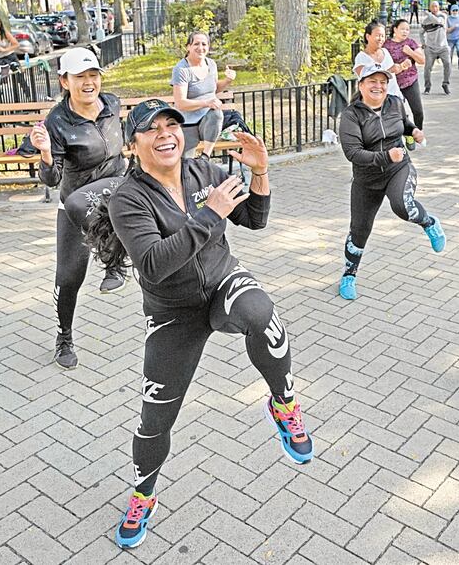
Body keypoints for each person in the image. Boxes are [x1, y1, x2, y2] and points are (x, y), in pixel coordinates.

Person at [83, 99, 313, 549]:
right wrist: (209, 215)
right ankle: (143, 495)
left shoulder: (203, 172)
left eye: (172, 124)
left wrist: (261, 172)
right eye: (152, 128)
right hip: (174, 311)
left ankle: (284, 404)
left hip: (223, 282)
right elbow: (152, 266)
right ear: (133, 146)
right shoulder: (129, 199)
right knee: (155, 421)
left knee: (262, 314)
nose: (166, 133)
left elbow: (255, 219)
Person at [28, 47, 129, 370]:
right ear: (64, 81)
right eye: (80, 77)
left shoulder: (111, 104)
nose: (89, 83)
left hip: (116, 190)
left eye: (93, 75)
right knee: (69, 276)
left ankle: (116, 260)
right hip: (76, 203)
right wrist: (44, 152)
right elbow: (51, 178)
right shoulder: (58, 121)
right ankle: (64, 337)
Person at [336, 63, 446, 301]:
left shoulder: (395, 102)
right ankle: (349, 276)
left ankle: (429, 223)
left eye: (383, 82)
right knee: (359, 232)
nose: (379, 86)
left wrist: (414, 131)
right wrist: (385, 156)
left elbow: (404, 124)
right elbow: (353, 153)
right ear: (361, 85)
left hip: (399, 169)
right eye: (372, 82)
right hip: (367, 178)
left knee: (402, 206)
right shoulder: (351, 115)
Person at [171, 31, 236, 159]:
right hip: (187, 123)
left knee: (216, 114)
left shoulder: (211, 64)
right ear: (188, 47)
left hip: (207, 121)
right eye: (196, 44)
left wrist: (228, 81)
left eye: (204, 44)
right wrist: (207, 103)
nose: (200, 48)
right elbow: (181, 103)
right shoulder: (181, 69)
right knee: (187, 164)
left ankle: (205, 156)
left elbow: (213, 89)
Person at [383, 19, 426, 139]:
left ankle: (417, 133)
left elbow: (422, 60)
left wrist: (410, 52)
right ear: (395, 29)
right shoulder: (386, 45)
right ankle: (405, 134)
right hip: (393, 83)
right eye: (402, 29)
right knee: (397, 113)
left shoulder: (411, 43)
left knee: (418, 112)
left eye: (407, 29)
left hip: (410, 81)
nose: (405, 32)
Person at [354, 20, 404, 99]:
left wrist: (400, 67)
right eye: (378, 35)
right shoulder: (361, 57)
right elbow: (366, 78)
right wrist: (389, 70)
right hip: (375, 101)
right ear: (368, 36)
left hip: (394, 97)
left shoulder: (385, 52)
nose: (380, 39)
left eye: (383, 36)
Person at [421, 1, 451, 95]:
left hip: (443, 46)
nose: (434, 8)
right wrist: (423, 43)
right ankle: (427, 86)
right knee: (428, 68)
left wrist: (428, 14)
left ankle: (445, 83)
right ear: (430, 7)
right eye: (432, 6)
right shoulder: (426, 20)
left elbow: (437, 21)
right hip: (430, 47)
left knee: (447, 64)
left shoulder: (442, 16)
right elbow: (421, 32)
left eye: (436, 6)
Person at [446, 5, 459, 70]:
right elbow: (447, 30)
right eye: (453, 10)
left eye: (456, 10)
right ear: (451, 11)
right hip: (450, 39)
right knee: (449, 52)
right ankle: (449, 65)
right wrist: (453, 27)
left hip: (458, 38)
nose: (455, 12)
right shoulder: (448, 19)